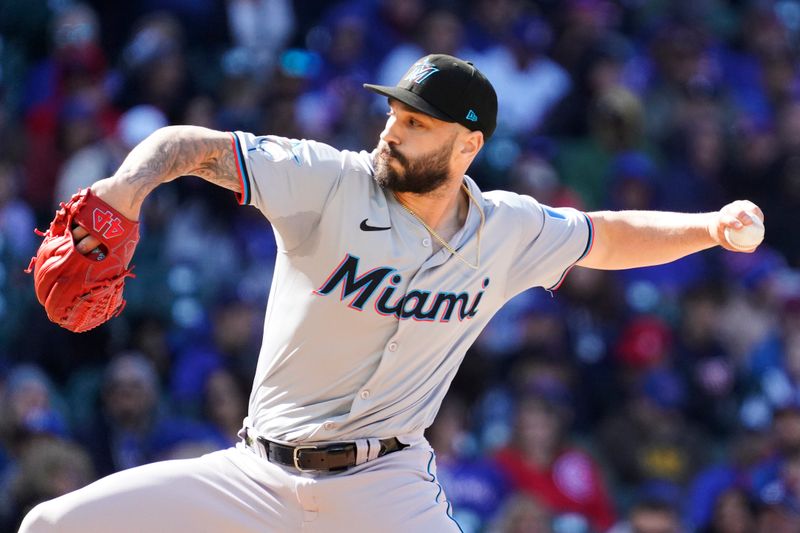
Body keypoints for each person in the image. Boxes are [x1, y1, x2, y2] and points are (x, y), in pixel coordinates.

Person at [20, 53, 764, 532]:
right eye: (393, 113)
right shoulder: (330, 181)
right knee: (51, 526)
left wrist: (709, 225)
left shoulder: (506, 229)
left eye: (415, 122)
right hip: (253, 474)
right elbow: (189, 146)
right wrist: (122, 193)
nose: (392, 131)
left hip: (384, 486)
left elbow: (607, 233)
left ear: (467, 145)